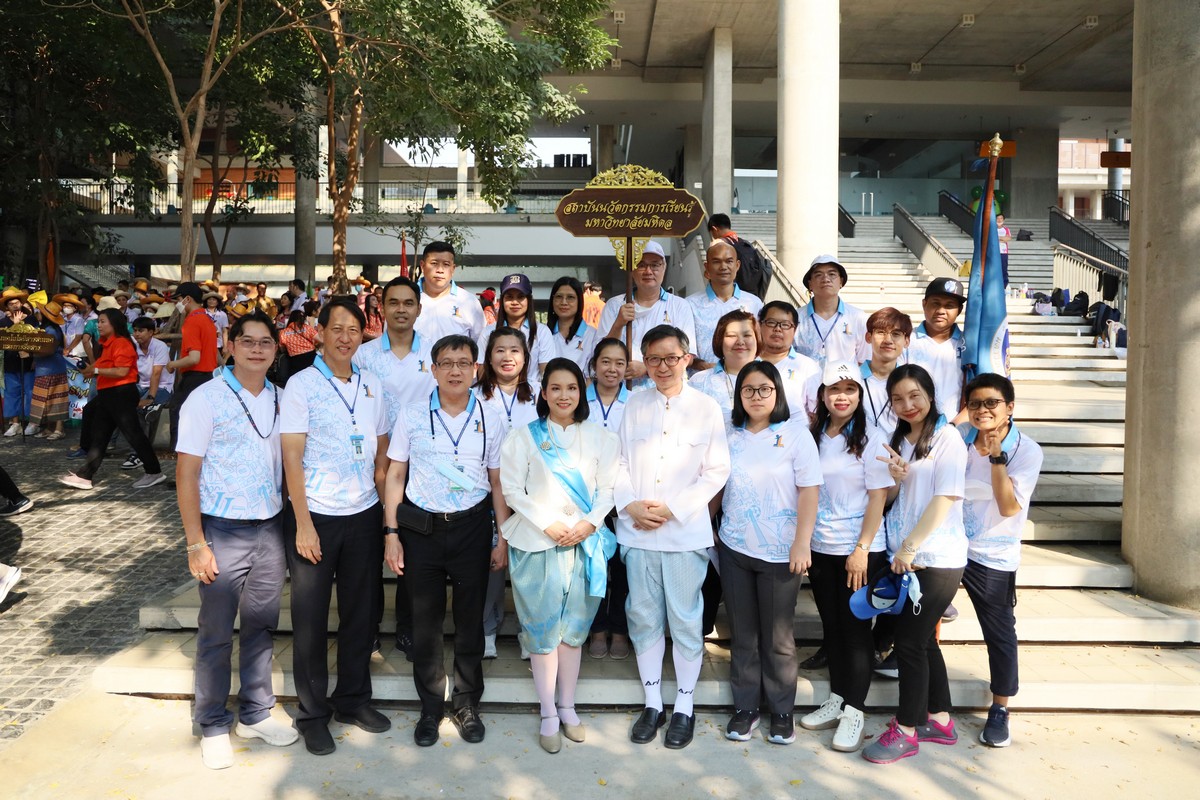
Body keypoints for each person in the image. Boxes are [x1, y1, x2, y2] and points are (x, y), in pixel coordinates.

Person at [176, 312, 298, 769]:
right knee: (216, 631)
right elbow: (186, 473)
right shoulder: (205, 398)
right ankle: (211, 723)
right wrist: (196, 542)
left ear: (276, 349)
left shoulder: (283, 398)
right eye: (248, 341)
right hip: (222, 529)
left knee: (261, 626)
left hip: (270, 527)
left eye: (266, 342)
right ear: (230, 345)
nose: (257, 349)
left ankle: (255, 713)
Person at [382, 334, 509, 748]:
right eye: (447, 363)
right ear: (433, 370)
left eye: (463, 363)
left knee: (470, 621)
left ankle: (467, 703)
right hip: (422, 530)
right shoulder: (413, 414)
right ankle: (431, 706)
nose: (455, 370)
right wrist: (391, 534)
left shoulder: (491, 416)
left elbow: (497, 482)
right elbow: (395, 474)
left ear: (476, 369)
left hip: (473, 528)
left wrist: (502, 537)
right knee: (426, 623)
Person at [280, 298, 392, 756]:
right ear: (320, 332)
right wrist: (303, 523)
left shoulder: (371, 384)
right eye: (337, 328)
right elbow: (291, 456)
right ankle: (312, 714)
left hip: (363, 513)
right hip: (316, 516)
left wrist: (385, 516)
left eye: (354, 330)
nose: (346, 338)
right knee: (309, 619)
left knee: (360, 613)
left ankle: (352, 700)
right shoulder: (300, 385)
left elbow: (381, 450)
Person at [616, 324, 730, 750]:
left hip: (684, 534)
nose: (662, 367)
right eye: (653, 359)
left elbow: (716, 470)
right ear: (644, 362)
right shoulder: (634, 404)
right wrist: (630, 504)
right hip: (638, 533)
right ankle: (652, 703)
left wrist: (674, 509)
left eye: (670, 358)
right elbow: (618, 462)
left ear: (686, 358)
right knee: (643, 617)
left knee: (684, 618)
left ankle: (684, 704)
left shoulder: (706, 407)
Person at [500, 358, 619, 753]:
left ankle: (568, 706)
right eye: (556, 388)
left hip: (584, 543)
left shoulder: (602, 438)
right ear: (544, 392)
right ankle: (548, 710)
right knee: (542, 631)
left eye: (571, 387)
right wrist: (548, 523)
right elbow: (512, 490)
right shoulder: (524, 438)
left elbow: (608, 490)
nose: (564, 395)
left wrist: (589, 524)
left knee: (573, 632)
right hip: (537, 543)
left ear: (581, 391)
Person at [862, 364, 968, 765]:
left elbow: (945, 498)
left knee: (907, 643)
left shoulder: (947, 437)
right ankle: (939, 720)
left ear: (930, 394)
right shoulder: (901, 439)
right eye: (898, 399)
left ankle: (906, 729)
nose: (907, 405)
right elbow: (897, 499)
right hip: (907, 558)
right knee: (922, 641)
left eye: (914, 396)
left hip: (935, 559)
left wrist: (909, 548)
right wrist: (896, 480)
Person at [718, 361, 820, 746]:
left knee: (778, 638)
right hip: (735, 547)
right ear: (739, 395)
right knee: (743, 634)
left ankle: (781, 711)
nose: (756, 396)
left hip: (781, 553)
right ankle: (746, 708)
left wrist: (802, 542)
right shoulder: (729, 435)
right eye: (748, 390)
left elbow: (809, 490)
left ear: (777, 392)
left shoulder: (795, 435)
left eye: (765, 389)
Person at [801, 361, 892, 752]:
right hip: (822, 547)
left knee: (855, 634)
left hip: (859, 551)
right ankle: (837, 699)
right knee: (833, 629)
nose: (842, 396)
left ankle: (855, 711)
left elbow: (878, 498)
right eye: (834, 389)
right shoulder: (814, 435)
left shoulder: (872, 437)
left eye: (850, 389)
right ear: (822, 396)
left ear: (859, 395)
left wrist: (861, 549)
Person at [351, 276, 435, 659]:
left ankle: (407, 628)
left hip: (420, 468)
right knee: (370, 551)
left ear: (419, 308)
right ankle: (367, 629)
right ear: (381, 308)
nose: (401, 309)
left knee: (412, 553)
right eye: (393, 302)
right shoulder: (363, 355)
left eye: (408, 303)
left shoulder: (434, 352)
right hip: (373, 464)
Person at [960, 373, 1043, 748]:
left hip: (993, 555)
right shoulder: (959, 439)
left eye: (991, 402)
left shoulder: (1027, 450)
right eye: (975, 403)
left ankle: (1000, 708)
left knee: (999, 633)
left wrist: (996, 457)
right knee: (917, 615)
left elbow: (1009, 507)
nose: (983, 410)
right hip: (951, 547)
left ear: (1010, 407)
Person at [474, 326, 539, 659]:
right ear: (489, 357)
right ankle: (488, 629)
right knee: (493, 561)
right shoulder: (474, 395)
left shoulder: (540, 393)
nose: (507, 357)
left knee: (529, 564)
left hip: (531, 493)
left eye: (515, 350)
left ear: (525, 357)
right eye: (499, 350)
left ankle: (530, 631)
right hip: (489, 491)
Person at [59, 309, 165, 491]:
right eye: (98, 321)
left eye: (102, 322)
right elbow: (99, 366)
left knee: (133, 434)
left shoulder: (122, 343)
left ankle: (154, 471)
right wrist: (88, 369)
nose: (98, 325)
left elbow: (122, 371)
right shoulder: (108, 343)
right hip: (109, 394)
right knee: (100, 435)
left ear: (114, 324)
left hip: (121, 393)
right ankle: (85, 476)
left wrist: (95, 370)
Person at [584, 338, 632, 660]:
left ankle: (620, 629)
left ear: (627, 368)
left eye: (619, 363)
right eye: (605, 361)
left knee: (623, 569)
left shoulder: (636, 403)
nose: (612, 369)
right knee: (593, 565)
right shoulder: (579, 399)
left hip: (624, 500)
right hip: (587, 499)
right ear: (594, 365)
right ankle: (597, 628)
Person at [597, 241, 697, 388]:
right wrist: (618, 324)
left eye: (655, 265)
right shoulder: (614, 305)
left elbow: (689, 357)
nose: (648, 271)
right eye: (641, 265)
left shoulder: (679, 306)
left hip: (665, 390)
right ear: (631, 270)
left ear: (664, 268)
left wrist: (646, 368)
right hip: (622, 391)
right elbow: (600, 354)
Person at [686, 240, 763, 371]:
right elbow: (684, 350)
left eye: (729, 261)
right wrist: (704, 366)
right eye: (716, 262)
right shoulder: (690, 304)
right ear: (707, 267)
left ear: (737, 265)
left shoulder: (754, 303)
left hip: (744, 377)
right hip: (702, 378)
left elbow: (760, 346)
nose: (723, 267)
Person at [167, 282, 219, 451]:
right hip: (210, 376)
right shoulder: (208, 319)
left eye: (179, 299)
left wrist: (172, 364)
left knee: (178, 411)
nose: (178, 304)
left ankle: (180, 451)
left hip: (194, 377)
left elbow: (194, 358)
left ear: (187, 299)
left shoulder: (192, 321)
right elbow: (215, 355)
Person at [793, 255, 869, 368]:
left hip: (845, 379)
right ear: (810, 284)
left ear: (841, 282)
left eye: (832, 274)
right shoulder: (796, 318)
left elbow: (864, 360)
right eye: (818, 275)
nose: (826, 279)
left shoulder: (858, 317)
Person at [907, 278, 968, 422]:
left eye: (949, 306)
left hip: (956, 428)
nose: (941, 311)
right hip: (914, 426)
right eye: (935, 303)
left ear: (959, 310)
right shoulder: (907, 341)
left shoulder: (967, 345)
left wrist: (954, 427)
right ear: (924, 304)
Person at [119, 317, 174, 470]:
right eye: (135, 330)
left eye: (141, 331)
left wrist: (150, 397)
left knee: (141, 410)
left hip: (162, 387)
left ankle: (138, 453)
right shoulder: (132, 345)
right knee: (117, 404)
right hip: (140, 385)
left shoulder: (160, 346)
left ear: (151, 332)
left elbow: (156, 374)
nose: (137, 334)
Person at [688, 310, 761, 424]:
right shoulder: (699, 382)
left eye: (747, 335)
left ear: (757, 339)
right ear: (719, 341)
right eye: (731, 336)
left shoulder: (774, 378)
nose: (740, 342)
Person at [477, 273, 552, 383]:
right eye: (509, 297)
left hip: (532, 393)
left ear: (529, 300)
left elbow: (546, 372)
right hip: (496, 392)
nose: (515, 302)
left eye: (520, 297)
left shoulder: (542, 332)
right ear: (502, 300)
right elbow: (482, 371)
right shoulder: (488, 332)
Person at [756, 301, 821, 419]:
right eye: (771, 323)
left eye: (785, 325)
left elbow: (817, 413)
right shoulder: (747, 362)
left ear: (794, 330)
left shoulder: (808, 367)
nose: (777, 329)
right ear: (760, 325)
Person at [413, 241, 485, 343]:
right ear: (422, 266)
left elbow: (481, 344)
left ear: (453, 269)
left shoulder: (469, 301)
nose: (440, 270)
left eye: (446, 264)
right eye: (434, 263)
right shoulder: (408, 298)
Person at [861, 307, 912, 437]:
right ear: (868, 337)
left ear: (906, 341)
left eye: (896, 334)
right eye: (881, 332)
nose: (888, 340)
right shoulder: (852, 378)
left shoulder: (913, 382)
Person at [29, 301, 69, 440]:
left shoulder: (50, 331)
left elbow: (47, 350)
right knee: (48, 400)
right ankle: (49, 428)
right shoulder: (48, 329)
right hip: (46, 368)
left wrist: (30, 353)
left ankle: (58, 429)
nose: (37, 314)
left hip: (51, 368)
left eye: (39, 312)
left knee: (56, 399)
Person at [708, 213, 771, 298]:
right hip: (751, 293)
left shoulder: (717, 243)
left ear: (715, 229)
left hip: (730, 294)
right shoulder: (745, 243)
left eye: (712, 233)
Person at [1, 288, 35, 437]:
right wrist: (15, 325)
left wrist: (33, 357)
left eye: (17, 303)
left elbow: (37, 342)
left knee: (29, 392)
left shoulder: (31, 320)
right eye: (11, 304)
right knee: (12, 393)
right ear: (7, 307)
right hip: (10, 363)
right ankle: (15, 423)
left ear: (21, 304)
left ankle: (30, 422)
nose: (15, 306)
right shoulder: (3, 322)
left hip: (27, 363)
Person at [547, 276, 595, 371]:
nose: (564, 302)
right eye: (559, 297)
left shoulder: (592, 335)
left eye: (570, 297)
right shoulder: (543, 333)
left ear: (579, 301)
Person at [996, 214, 1012, 288]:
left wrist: (998, 238)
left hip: (1003, 252)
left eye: (1001, 218)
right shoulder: (992, 229)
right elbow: (992, 239)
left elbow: (1008, 239)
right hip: (994, 252)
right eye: (998, 218)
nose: (999, 220)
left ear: (1003, 220)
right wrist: (1003, 238)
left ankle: (1004, 285)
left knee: (1004, 269)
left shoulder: (1006, 229)